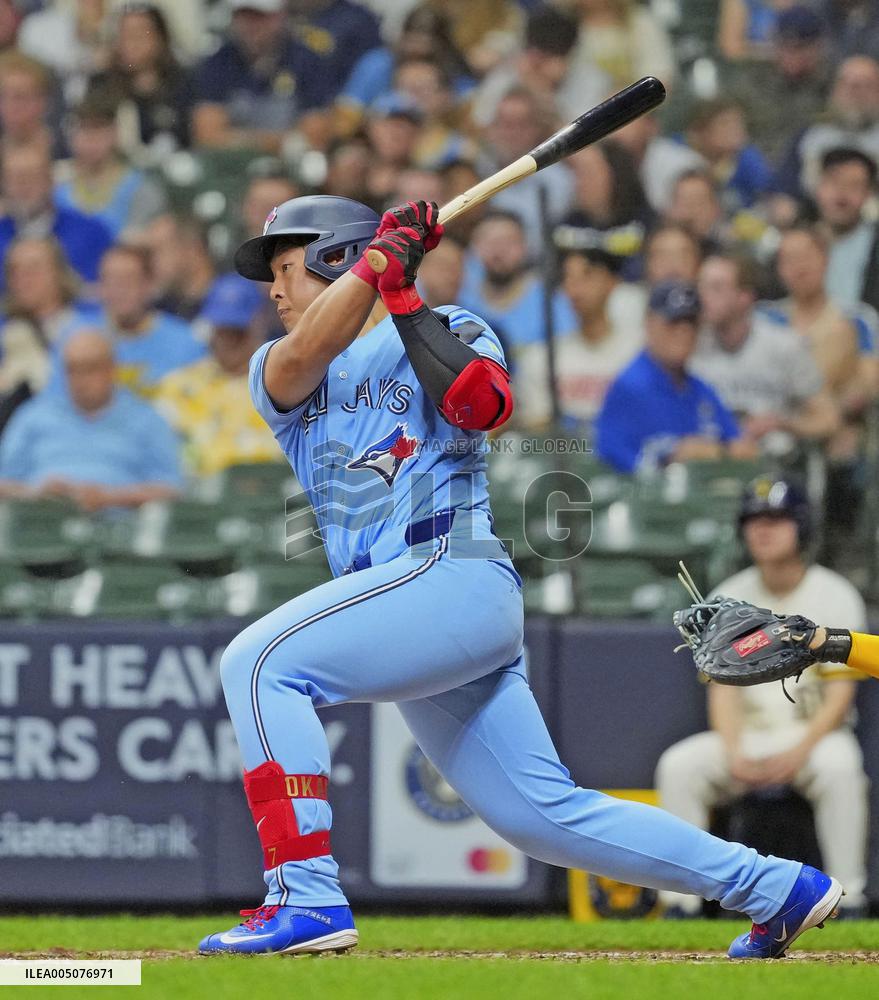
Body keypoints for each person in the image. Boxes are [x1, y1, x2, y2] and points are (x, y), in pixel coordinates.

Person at [198, 193, 842, 961]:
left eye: (284, 269)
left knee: (260, 662)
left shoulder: (454, 326)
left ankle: (304, 896)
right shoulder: (278, 365)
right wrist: (379, 267)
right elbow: (306, 356)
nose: (271, 291)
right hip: (407, 607)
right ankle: (774, 888)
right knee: (539, 815)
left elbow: (482, 409)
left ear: (334, 255)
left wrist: (402, 294)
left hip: (448, 575)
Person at [657, 476, 869, 916]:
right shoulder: (727, 596)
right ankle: (679, 904)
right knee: (679, 765)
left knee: (841, 767)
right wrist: (734, 753)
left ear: (801, 526)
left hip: (812, 736)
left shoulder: (834, 592)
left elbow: (840, 694)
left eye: (775, 518)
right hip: (746, 736)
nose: (762, 529)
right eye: (753, 520)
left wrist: (798, 752)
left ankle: (850, 898)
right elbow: (722, 691)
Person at [0, 329, 181, 509]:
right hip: (40, 526)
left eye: (90, 369)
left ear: (111, 369)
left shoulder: (146, 420)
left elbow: (172, 489)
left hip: (119, 528)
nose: (80, 380)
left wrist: (112, 497)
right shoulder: (33, 415)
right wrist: (36, 493)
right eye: (72, 370)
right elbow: (4, 482)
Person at [595, 281, 745, 474]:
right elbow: (610, 458)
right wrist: (669, 461)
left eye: (690, 323)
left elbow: (740, 447)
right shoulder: (629, 388)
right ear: (649, 324)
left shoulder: (700, 390)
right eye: (673, 322)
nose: (683, 332)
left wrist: (720, 451)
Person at [692, 254, 839, 449]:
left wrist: (781, 423)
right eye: (700, 286)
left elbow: (828, 420)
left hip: (775, 463)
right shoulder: (690, 348)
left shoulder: (784, 346)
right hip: (711, 461)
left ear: (744, 297)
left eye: (716, 288)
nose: (703, 296)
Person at [155, 274, 280, 477]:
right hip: (195, 499)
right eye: (222, 329)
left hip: (266, 497)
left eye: (237, 330)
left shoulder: (282, 386)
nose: (227, 339)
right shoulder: (177, 386)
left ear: (259, 323)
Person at [514, 244, 645, 431]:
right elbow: (538, 430)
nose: (575, 287)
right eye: (568, 277)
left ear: (611, 281)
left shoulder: (640, 351)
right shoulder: (541, 358)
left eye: (587, 274)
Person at [51, 244, 205, 398]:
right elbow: (53, 401)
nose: (118, 290)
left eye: (128, 280)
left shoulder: (185, 343)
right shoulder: (75, 339)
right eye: (109, 281)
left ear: (149, 285)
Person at [192, 0, 326, 153]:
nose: (251, 26)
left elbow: (316, 136)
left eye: (259, 17)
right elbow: (207, 136)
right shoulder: (218, 63)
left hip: (289, 166)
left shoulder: (307, 61)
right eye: (243, 16)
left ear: (279, 16)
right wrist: (281, 141)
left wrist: (235, 138)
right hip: (233, 164)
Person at [0, 236, 94, 424]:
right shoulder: (5, 333)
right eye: (15, 271)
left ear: (59, 272)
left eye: (33, 269)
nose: (23, 279)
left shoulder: (87, 331)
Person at [458, 210, 576, 352]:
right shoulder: (460, 298)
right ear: (474, 247)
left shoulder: (550, 303)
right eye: (490, 242)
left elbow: (566, 351)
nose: (499, 251)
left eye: (509, 242)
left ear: (525, 247)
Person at [85, 4, 194, 159]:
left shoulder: (184, 82)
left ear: (160, 37)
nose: (131, 43)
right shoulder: (100, 85)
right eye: (123, 34)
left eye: (139, 34)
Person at [726, 6, 831, 166]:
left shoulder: (832, 83)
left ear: (818, 47)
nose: (791, 55)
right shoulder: (752, 81)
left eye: (800, 47)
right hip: (759, 167)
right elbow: (733, 131)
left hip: (813, 170)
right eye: (784, 46)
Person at [54, 93, 167, 240]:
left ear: (115, 133)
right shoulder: (57, 187)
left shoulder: (140, 187)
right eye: (84, 130)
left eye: (99, 130)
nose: (91, 140)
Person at [0, 143, 113, 287]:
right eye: (14, 178)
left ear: (51, 181)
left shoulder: (91, 232)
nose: (23, 185)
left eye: (31, 176)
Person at [814, 147, 879, 313]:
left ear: (868, 194)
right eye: (834, 182)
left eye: (854, 186)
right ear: (818, 186)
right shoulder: (795, 242)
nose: (841, 196)